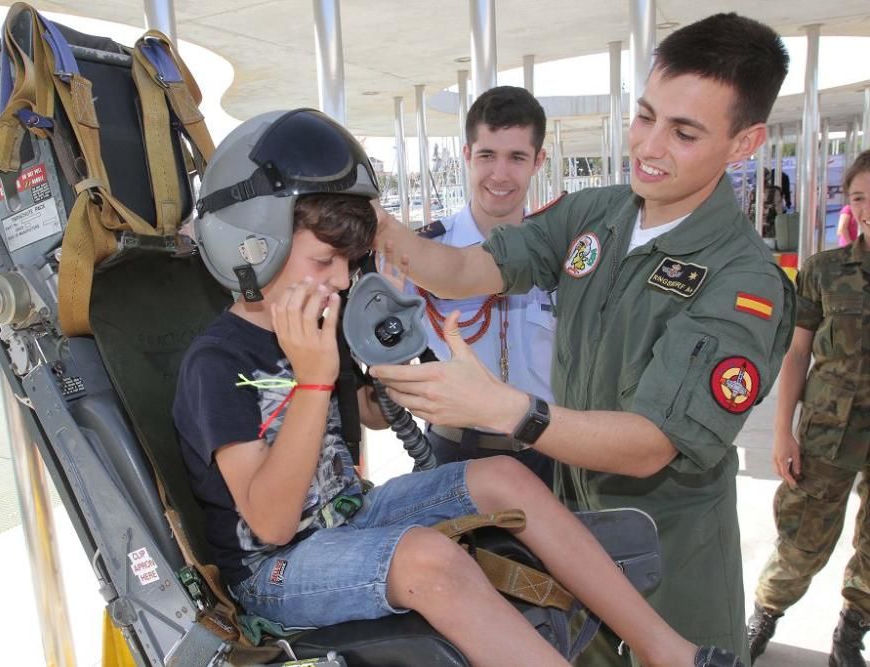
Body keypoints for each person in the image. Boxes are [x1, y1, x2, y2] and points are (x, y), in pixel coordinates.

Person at [174, 108, 744, 667]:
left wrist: (399, 374)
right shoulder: (217, 362)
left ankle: (662, 648)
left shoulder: (321, 326)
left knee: (503, 475)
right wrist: (314, 379)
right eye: (325, 261)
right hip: (275, 568)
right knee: (428, 559)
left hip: (348, 517)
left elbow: (362, 420)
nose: (343, 280)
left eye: (348, 263)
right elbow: (271, 525)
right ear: (252, 248)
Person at [371, 13, 796, 664]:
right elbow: (460, 270)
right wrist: (375, 223)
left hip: (670, 563)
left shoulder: (746, 284)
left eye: (684, 132)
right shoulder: (597, 215)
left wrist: (501, 408)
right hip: (573, 543)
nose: (649, 147)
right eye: (646, 116)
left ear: (746, 142)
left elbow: (652, 444)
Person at [747, 150, 870, 667]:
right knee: (802, 538)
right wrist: (782, 432)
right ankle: (763, 616)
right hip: (828, 431)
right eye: (859, 196)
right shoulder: (824, 270)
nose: (867, 206)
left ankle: (851, 631)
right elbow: (797, 353)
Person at [400, 85, 556, 486]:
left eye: (517, 157)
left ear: (538, 161)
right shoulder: (424, 254)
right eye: (487, 155)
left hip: (551, 455)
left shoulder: (565, 254)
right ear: (466, 155)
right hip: (452, 456)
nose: (500, 175)